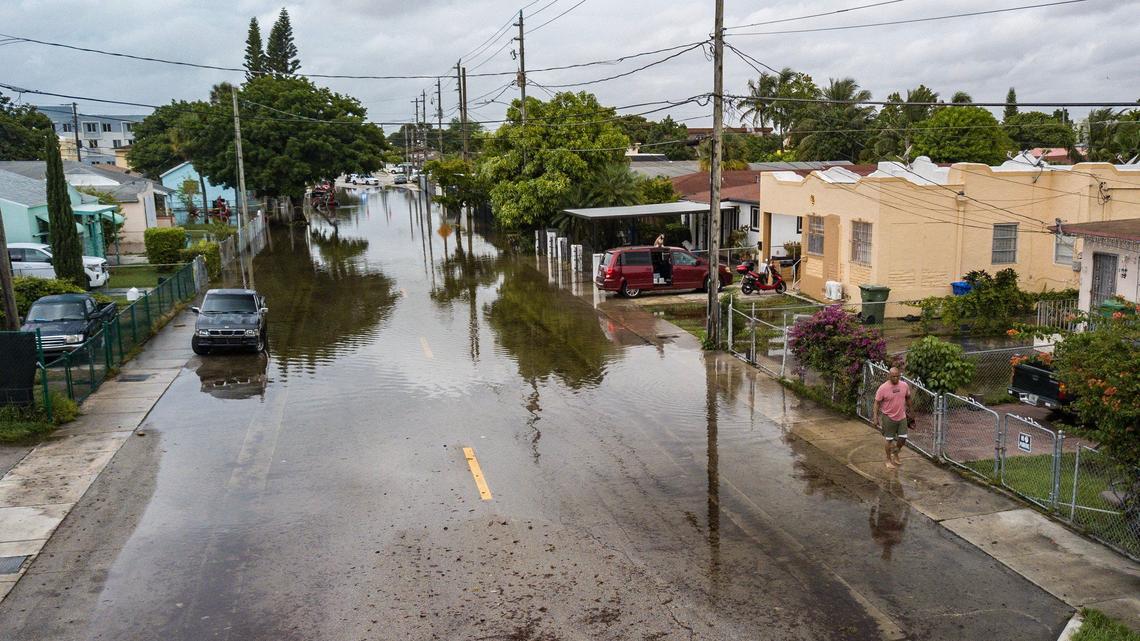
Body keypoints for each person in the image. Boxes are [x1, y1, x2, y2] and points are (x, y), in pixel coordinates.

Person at [872, 366, 912, 468]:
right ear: (889, 376)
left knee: (903, 438)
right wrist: (875, 417)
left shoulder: (904, 385)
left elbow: (908, 398)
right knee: (889, 440)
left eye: (897, 376)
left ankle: (896, 453)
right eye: (893, 376)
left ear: (899, 376)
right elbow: (876, 403)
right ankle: (888, 459)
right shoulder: (883, 388)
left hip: (902, 416)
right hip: (888, 417)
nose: (895, 378)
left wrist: (911, 412)